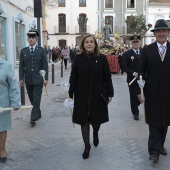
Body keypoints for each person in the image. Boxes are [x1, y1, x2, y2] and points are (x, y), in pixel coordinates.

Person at [69, 34, 114, 159]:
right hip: (81, 94)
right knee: (84, 119)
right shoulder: (78, 59)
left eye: (91, 42)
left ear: (95, 44)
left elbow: (107, 77)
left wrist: (110, 92)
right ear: (83, 44)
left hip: (98, 94)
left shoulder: (102, 58)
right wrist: (70, 93)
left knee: (96, 120)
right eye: (86, 42)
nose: (89, 44)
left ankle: (95, 132)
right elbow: (73, 77)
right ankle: (87, 146)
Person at [138, 19, 170, 163]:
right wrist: (139, 91)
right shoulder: (147, 49)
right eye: (158, 31)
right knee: (154, 123)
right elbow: (141, 72)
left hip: (168, 94)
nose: (161, 33)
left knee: (165, 122)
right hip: (152, 93)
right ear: (155, 34)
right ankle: (154, 152)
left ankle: (161, 145)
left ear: (168, 33)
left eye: (164, 31)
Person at [19, 30, 48, 126]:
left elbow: (45, 65)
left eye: (33, 38)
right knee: (32, 99)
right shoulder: (24, 51)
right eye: (29, 38)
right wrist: (21, 78)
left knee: (36, 98)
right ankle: (38, 112)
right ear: (27, 39)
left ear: (36, 39)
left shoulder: (41, 51)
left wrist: (45, 78)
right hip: (28, 79)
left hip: (38, 79)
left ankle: (33, 118)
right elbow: (21, 66)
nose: (31, 40)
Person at [0, 57, 20, 163]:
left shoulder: (6, 65)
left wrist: (15, 101)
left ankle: (2, 150)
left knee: (2, 127)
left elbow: (13, 85)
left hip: (2, 103)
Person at [122, 35, 142, 120]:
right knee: (133, 96)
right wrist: (133, 73)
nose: (135, 43)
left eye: (137, 42)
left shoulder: (145, 52)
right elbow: (124, 66)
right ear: (131, 43)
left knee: (143, 95)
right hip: (132, 79)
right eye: (134, 42)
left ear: (140, 42)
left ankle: (138, 104)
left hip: (143, 79)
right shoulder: (127, 54)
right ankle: (135, 112)